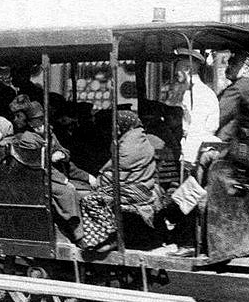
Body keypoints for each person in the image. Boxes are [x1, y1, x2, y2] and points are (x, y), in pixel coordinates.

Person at [79, 111, 164, 251]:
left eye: (117, 124)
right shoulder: (140, 138)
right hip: (145, 186)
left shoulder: (128, 145)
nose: (116, 127)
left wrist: (100, 180)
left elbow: (119, 174)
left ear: (125, 125)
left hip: (135, 190)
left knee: (90, 200)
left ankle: (111, 236)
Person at [17, 101, 85, 244]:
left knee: (84, 189)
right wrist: (64, 180)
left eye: (41, 120)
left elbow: (65, 151)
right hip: (38, 179)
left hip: (53, 175)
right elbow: (38, 165)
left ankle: (80, 228)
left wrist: (61, 154)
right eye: (35, 122)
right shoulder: (28, 139)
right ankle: (77, 234)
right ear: (30, 123)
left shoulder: (49, 133)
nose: (39, 125)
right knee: (67, 192)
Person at [176, 51, 220, 166]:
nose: (176, 73)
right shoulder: (192, 91)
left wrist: (187, 158)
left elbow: (196, 128)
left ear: (188, 69)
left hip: (196, 151)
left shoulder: (199, 93)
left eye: (178, 69)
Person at [217, 51, 249, 140]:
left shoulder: (238, 88)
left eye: (234, 64)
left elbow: (219, 115)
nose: (229, 67)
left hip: (227, 138)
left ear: (246, 69)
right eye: (229, 64)